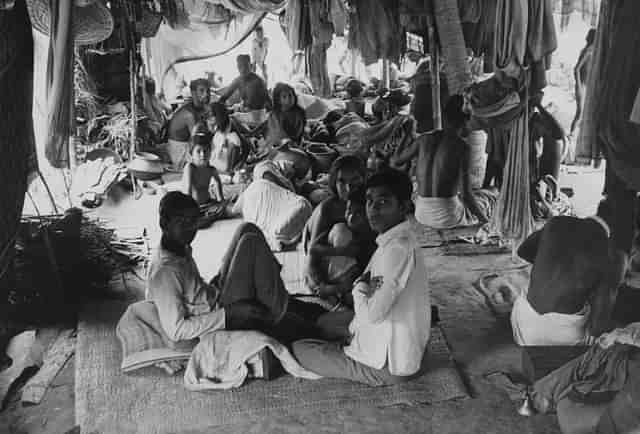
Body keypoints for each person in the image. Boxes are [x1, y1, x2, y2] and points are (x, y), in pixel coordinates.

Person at [292, 169, 430, 387]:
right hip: (398, 345)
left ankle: (349, 350)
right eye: (369, 201)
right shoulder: (397, 240)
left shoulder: (396, 250)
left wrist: (358, 288)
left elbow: (372, 315)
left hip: (388, 364)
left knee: (300, 348)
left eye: (383, 202)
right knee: (324, 323)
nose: (372, 210)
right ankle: (348, 340)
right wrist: (364, 286)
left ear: (403, 206)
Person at [146, 192, 327, 351]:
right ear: (164, 223)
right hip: (219, 313)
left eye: (193, 221)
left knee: (247, 228)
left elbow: (192, 291)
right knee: (251, 243)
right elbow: (177, 330)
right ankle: (279, 314)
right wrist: (229, 314)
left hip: (214, 294)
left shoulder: (179, 246)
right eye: (182, 222)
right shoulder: (164, 273)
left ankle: (276, 295)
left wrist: (217, 280)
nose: (191, 228)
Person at [510, 200, 628, 346]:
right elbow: (598, 327)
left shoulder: (557, 222)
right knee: (616, 335)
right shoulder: (615, 256)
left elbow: (523, 251)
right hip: (563, 340)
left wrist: (549, 267)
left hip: (522, 323)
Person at [393, 95, 496, 229]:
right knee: (490, 195)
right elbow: (466, 195)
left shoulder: (423, 140)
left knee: (476, 196)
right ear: (466, 120)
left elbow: (396, 160)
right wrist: (484, 221)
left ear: (445, 117)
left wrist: (407, 134)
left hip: (421, 213)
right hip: (448, 217)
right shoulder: (462, 147)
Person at [304, 156, 367, 291]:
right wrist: (320, 286)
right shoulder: (328, 208)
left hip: (357, 264)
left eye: (355, 180)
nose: (349, 188)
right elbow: (313, 254)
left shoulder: (369, 203)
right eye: (342, 182)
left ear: (364, 179)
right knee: (341, 231)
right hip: (332, 267)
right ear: (333, 182)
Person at [307, 186, 377, 308]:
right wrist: (344, 251)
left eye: (358, 213)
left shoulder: (372, 237)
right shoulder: (341, 227)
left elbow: (368, 275)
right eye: (349, 211)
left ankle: (337, 294)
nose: (351, 217)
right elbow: (313, 250)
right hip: (332, 275)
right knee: (341, 231)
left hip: (353, 282)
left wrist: (334, 289)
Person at [181, 123, 227, 228]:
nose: (203, 155)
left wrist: (221, 201)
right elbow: (187, 191)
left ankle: (208, 216)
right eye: (198, 151)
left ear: (210, 152)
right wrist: (189, 211)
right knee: (197, 223)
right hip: (192, 206)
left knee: (226, 210)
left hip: (208, 204)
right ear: (191, 154)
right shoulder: (190, 167)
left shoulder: (211, 169)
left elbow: (218, 182)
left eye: (205, 151)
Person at [166, 78, 211, 169]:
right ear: (193, 93)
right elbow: (197, 140)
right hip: (180, 150)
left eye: (208, 91)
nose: (206, 94)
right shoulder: (189, 115)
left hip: (189, 143)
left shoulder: (200, 108)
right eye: (201, 91)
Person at [529, 92, 565, 182]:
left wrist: (539, 106)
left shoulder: (534, 120)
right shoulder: (525, 121)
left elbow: (559, 133)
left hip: (533, 174)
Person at [264, 83, 306, 150]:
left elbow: (300, 132)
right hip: (278, 146)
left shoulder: (300, 112)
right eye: (284, 97)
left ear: (294, 96)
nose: (288, 99)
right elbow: (275, 134)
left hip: (296, 145)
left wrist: (294, 143)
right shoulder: (274, 115)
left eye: (290, 95)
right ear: (278, 100)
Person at [570, 29, 596, 136]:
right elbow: (576, 69)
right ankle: (571, 135)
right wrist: (579, 85)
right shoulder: (588, 51)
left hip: (586, 86)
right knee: (580, 113)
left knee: (583, 114)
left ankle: (574, 135)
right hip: (582, 86)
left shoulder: (593, 51)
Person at [207, 102, 244, 174]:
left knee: (234, 140)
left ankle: (228, 170)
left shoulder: (231, 129)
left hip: (224, 166)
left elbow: (245, 145)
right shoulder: (215, 130)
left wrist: (239, 164)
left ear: (218, 116)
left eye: (211, 116)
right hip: (215, 161)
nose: (209, 118)